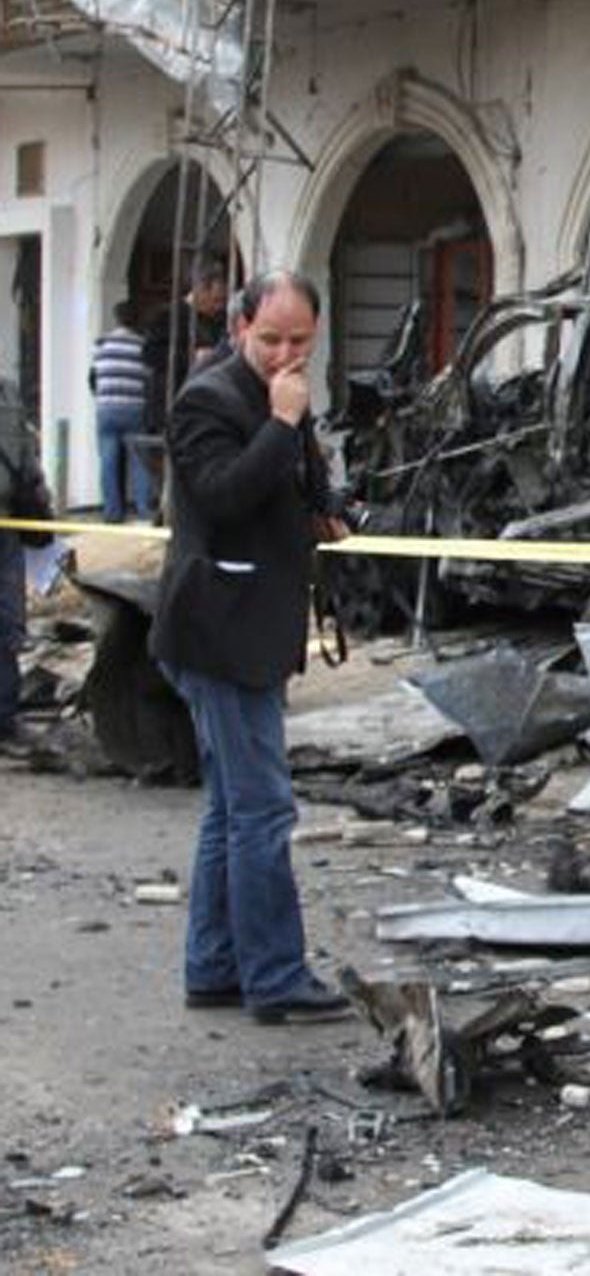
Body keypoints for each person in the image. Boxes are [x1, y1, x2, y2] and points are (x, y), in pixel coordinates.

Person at [151, 270, 352, 1024]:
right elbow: (223, 497)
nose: (284, 353)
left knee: (231, 810)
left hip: (255, 628)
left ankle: (213, 967)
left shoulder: (287, 399)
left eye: (299, 340)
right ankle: (275, 976)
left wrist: (328, 513)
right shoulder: (209, 398)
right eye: (270, 339)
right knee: (263, 812)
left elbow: (292, 488)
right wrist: (279, 422)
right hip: (217, 632)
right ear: (240, 329)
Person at [0, 374, 53, 743]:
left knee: (8, 624)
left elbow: (26, 458)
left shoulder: (8, 391)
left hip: (7, 523)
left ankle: (5, 716)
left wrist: (38, 501)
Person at [142, 256, 230, 435]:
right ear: (200, 290)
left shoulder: (219, 322)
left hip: (207, 408)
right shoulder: (169, 316)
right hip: (171, 405)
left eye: (222, 301)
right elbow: (150, 354)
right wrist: (192, 356)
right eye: (216, 300)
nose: (220, 306)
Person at [90, 301, 154, 522]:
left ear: (117, 319)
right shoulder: (142, 345)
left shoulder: (101, 344)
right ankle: (144, 509)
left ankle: (112, 511)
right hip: (134, 407)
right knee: (139, 460)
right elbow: (148, 377)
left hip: (106, 407)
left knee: (108, 460)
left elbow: (93, 376)